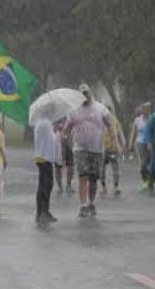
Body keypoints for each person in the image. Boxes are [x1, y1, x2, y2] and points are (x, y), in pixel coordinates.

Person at [63, 84, 118, 218]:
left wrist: (113, 140)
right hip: (80, 149)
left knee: (93, 179)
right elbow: (67, 129)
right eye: (82, 94)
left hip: (97, 149)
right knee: (83, 176)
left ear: (91, 93)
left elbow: (110, 124)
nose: (84, 96)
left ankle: (91, 202)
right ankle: (83, 205)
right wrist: (63, 138)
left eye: (86, 93)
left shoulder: (100, 108)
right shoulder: (73, 110)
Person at [33, 118, 61, 224]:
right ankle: (42, 212)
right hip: (44, 158)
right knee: (45, 185)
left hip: (44, 157)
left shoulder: (43, 122)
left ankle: (43, 211)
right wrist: (57, 132)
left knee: (47, 184)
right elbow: (51, 140)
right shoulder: (44, 123)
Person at [100, 105, 126, 195]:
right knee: (102, 169)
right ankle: (103, 187)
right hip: (102, 148)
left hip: (113, 147)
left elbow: (120, 133)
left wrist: (122, 144)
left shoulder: (114, 121)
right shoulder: (99, 121)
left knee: (115, 167)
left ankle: (116, 187)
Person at [129, 102, 152, 191]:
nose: (145, 111)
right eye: (144, 109)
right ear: (142, 110)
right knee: (143, 163)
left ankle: (150, 181)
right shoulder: (137, 120)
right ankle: (145, 181)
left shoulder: (152, 119)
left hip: (150, 143)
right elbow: (133, 132)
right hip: (140, 143)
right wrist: (131, 144)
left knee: (150, 164)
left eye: (147, 109)